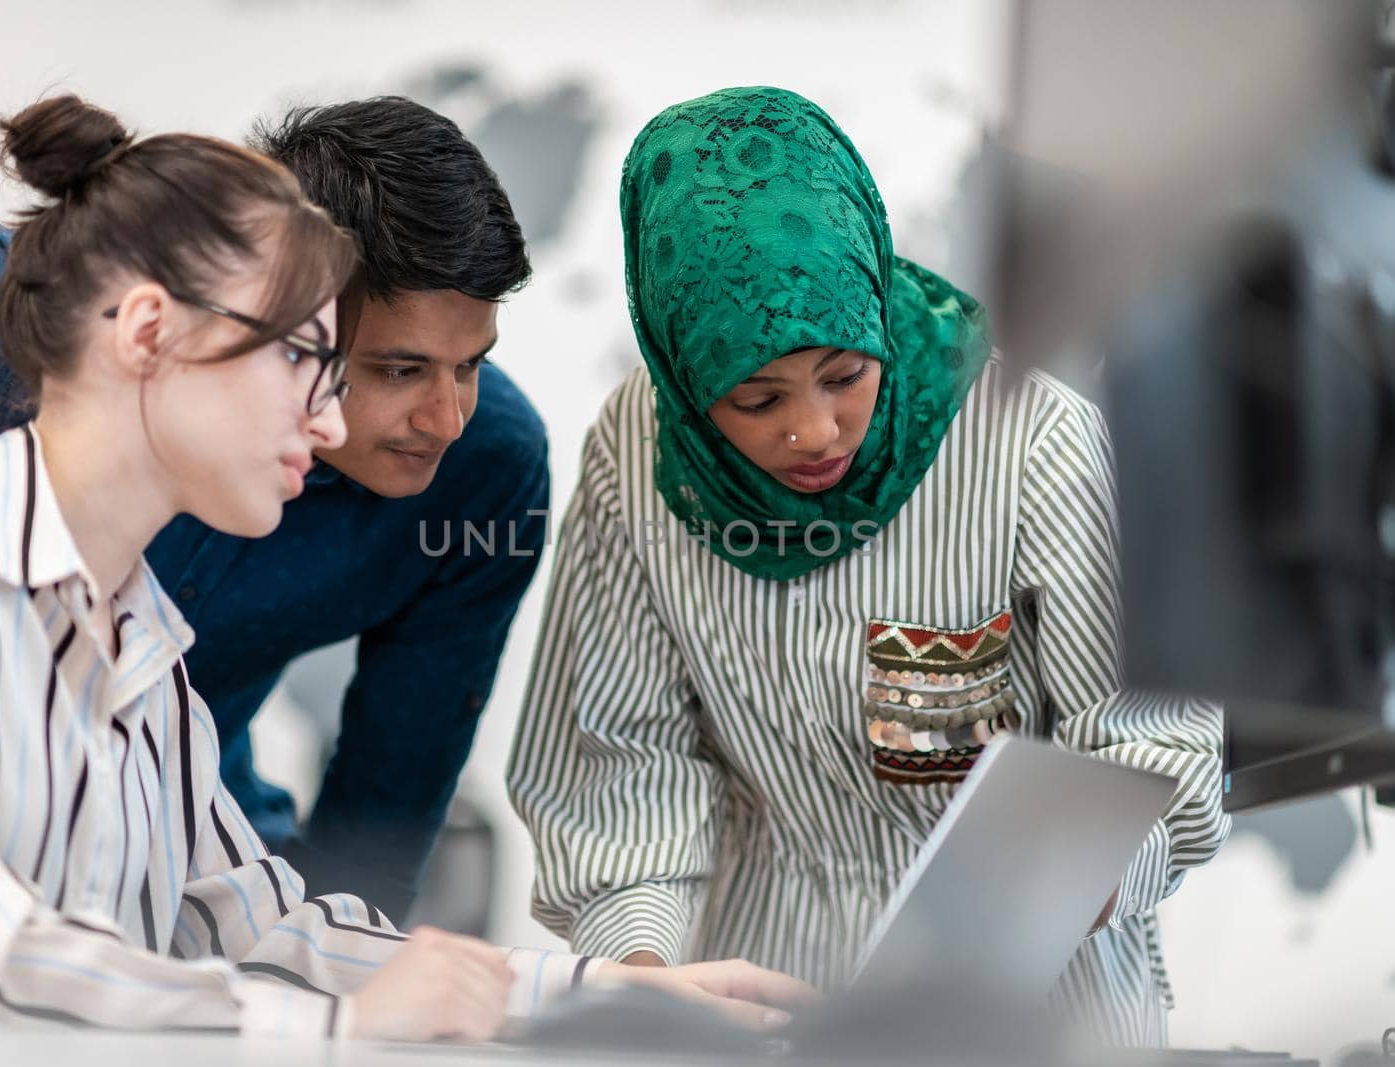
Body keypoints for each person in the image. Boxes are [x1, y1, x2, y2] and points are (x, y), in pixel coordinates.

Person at [0, 94, 811, 1040]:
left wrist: (592, 992)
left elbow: (270, 923)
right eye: (310, 358)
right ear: (144, 333)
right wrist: (337, 1024)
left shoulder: (154, 660)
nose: (329, 416)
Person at [506, 86, 1231, 1047]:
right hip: (764, 995)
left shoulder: (1033, 441)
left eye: (846, 375)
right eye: (756, 399)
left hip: (1034, 1010)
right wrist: (643, 980)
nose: (813, 431)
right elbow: (624, 767)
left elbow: (1152, 749)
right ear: (685, 383)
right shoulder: (637, 458)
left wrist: (1069, 880)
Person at [0, 97, 549, 918]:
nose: (446, 421)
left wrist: (354, 1011)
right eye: (397, 370)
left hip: (185, 821)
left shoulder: (488, 467)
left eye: (469, 366)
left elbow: (388, 800)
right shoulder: (52, 324)